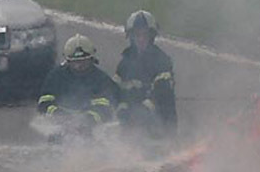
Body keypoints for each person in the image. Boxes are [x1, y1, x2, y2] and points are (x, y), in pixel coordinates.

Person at [37, 34, 119, 137]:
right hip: (60, 128)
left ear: (91, 59)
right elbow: (44, 103)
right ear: (68, 61)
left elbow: (105, 108)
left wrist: (88, 120)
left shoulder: (101, 79)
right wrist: (60, 115)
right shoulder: (55, 77)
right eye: (75, 62)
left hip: (92, 131)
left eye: (83, 61)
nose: (79, 66)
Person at [115, 10, 177, 139]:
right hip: (132, 127)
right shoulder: (124, 64)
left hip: (160, 126)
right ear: (131, 37)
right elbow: (117, 92)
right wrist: (122, 110)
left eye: (145, 35)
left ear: (152, 37)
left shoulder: (162, 61)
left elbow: (162, 93)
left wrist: (142, 112)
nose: (141, 39)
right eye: (137, 35)